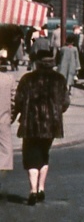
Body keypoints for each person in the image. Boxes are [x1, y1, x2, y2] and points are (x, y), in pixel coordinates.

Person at [12, 48, 70, 205]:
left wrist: (14, 116)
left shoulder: (27, 79)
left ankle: (32, 190)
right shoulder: (59, 79)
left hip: (31, 123)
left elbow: (18, 100)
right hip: (52, 125)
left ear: (37, 63)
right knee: (44, 154)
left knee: (31, 157)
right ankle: (41, 188)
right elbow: (65, 103)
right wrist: (57, 111)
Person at [0, 69, 14, 200]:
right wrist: (12, 117)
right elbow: (13, 100)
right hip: (3, 120)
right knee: (5, 152)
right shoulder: (8, 79)